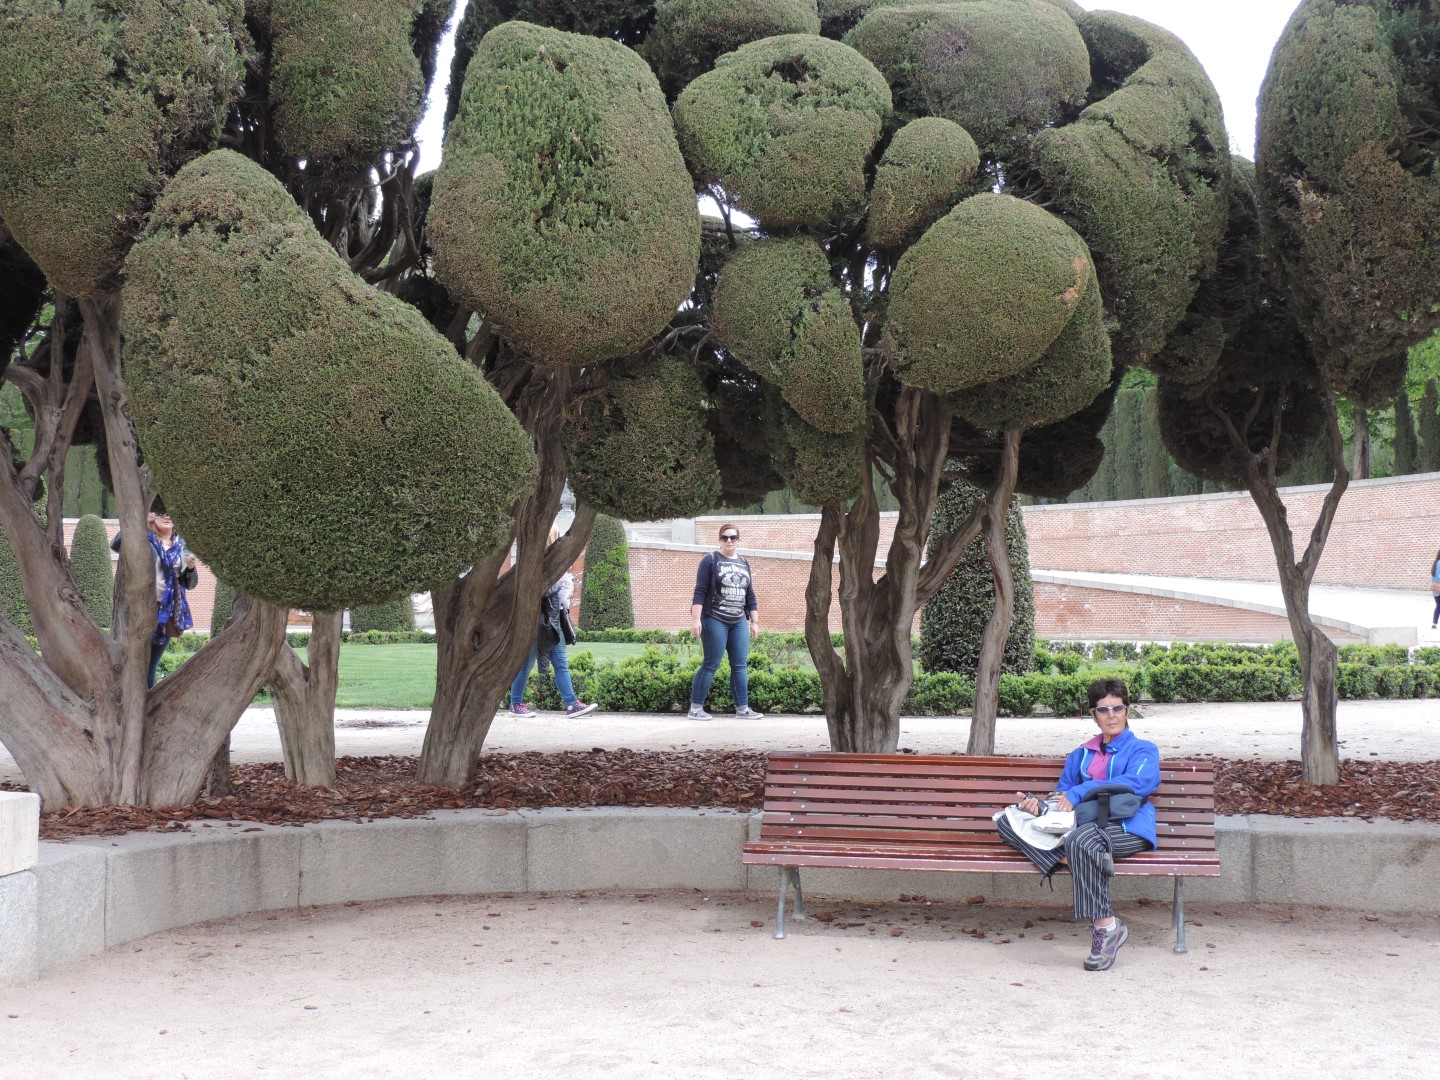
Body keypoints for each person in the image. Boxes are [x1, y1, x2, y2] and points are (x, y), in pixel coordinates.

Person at [994, 677, 1159, 972]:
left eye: (1117, 708)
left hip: (1127, 828)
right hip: (1079, 827)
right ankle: (1077, 860)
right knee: (1007, 822)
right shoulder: (1080, 755)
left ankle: (1105, 929)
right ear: (1093, 716)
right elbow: (1061, 798)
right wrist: (1038, 806)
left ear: (1127, 711)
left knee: (1081, 840)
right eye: (1104, 710)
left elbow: (1139, 783)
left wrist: (1083, 791)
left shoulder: (1143, 750)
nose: (1112, 716)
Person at [508, 527, 598, 718]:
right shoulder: (536, 562)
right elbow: (541, 590)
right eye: (556, 536)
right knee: (526, 663)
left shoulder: (552, 562)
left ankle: (572, 704)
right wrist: (561, 584)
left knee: (560, 663)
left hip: (552, 621)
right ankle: (515, 704)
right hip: (538, 622)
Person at [110, 509, 199, 689]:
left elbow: (189, 584)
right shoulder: (145, 539)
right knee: (133, 661)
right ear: (152, 518)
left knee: (151, 664)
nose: (167, 517)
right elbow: (116, 544)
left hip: (167, 613)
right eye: (161, 513)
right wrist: (140, 522)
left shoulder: (182, 547)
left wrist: (190, 569)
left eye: (170, 514)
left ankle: (145, 703)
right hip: (143, 608)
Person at [687, 524, 764, 721]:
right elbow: (700, 591)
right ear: (719, 539)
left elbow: (750, 594)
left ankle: (743, 709)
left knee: (739, 665)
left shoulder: (744, 562)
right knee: (711, 663)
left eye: (733, 537)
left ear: (738, 539)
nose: (729, 540)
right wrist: (696, 619)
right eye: (725, 537)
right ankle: (695, 709)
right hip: (715, 618)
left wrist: (754, 621)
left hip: (738, 620)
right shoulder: (710, 560)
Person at [1430, 548, 1440, 630]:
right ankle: (1434, 623)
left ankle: (1434, 623)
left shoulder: (1435, 562)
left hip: (1435, 588)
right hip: (1439, 586)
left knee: (1438, 605)